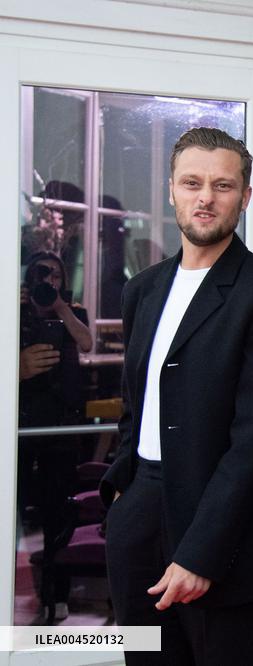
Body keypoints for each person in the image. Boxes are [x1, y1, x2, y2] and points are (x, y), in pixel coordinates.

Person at [100, 127, 253, 666]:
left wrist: (201, 551)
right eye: (192, 183)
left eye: (223, 185)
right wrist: (121, 495)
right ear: (172, 189)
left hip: (223, 528)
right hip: (141, 509)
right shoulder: (142, 289)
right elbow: (133, 404)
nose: (205, 197)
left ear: (245, 196)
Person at [18, 250, 93, 623]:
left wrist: (60, 307)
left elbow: (87, 343)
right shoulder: (15, 314)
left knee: (57, 511)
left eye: (55, 276)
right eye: (40, 275)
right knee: (17, 511)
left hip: (62, 425)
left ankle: (56, 595)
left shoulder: (72, 313)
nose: (48, 282)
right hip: (21, 425)